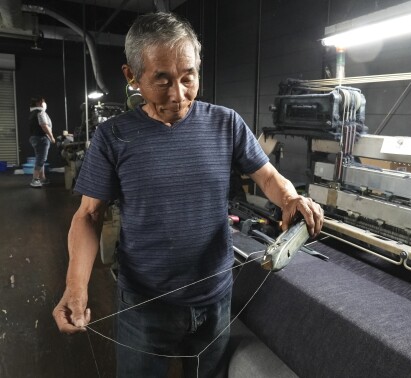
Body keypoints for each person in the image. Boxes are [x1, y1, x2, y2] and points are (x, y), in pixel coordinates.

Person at [52, 12, 324, 378]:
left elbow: (268, 176)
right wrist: (75, 287)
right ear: (132, 76)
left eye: (188, 77)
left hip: (214, 302)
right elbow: (88, 215)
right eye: (161, 80)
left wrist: (291, 198)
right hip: (143, 306)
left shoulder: (225, 123)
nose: (178, 95)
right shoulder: (114, 136)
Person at [28, 96, 55, 188]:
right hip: (41, 138)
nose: (45, 103)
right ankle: (35, 179)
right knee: (41, 159)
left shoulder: (32, 113)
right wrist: (51, 137)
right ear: (39, 103)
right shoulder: (40, 112)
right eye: (43, 102)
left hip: (35, 138)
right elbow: (44, 125)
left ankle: (42, 178)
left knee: (40, 158)